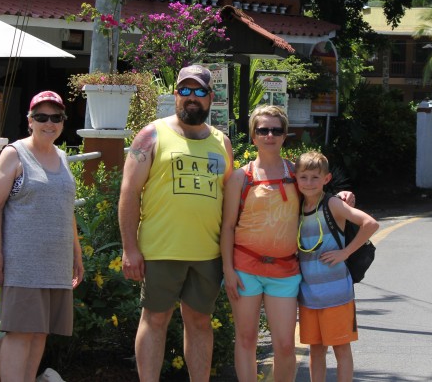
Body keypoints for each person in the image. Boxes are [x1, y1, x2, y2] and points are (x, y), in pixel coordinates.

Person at [119, 64, 234, 382]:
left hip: (207, 254)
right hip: (160, 251)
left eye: (199, 91)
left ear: (211, 97)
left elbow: (230, 199)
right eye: (185, 90)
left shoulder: (222, 143)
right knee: (155, 320)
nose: (191, 97)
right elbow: (128, 194)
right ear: (175, 95)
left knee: (200, 322)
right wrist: (130, 248)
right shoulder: (152, 134)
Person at [0, 91, 84, 382]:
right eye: (41, 117)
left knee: (41, 331)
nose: (49, 123)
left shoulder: (63, 157)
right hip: (23, 264)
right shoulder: (14, 154)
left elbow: (67, 210)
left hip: (55, 264)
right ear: (30, 120)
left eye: (56, 117)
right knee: (19, 332)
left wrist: (77, 255)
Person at [221, 105, 301, 382]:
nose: (269, 135)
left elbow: (319, 200)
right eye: (263, 130)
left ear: (284, 135)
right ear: (253, 136)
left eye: (276, 130)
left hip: (285, 271)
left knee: (285, 345)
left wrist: (344, 197)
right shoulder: (240, 178)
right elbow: (228, 227)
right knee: (246, 339)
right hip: (245, 269)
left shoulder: (297, 174)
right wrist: (228, 271)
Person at [295, 151, 379, 382]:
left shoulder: (332, 204)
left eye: (315, 177)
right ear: (296, 178)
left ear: (326, 179)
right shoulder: (297, 207)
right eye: (304, 177)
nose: (309, 182)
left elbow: (370, 224)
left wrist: (345, 252)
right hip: (309, 295)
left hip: (337, 295)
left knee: (341, 350)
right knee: (316, 350)